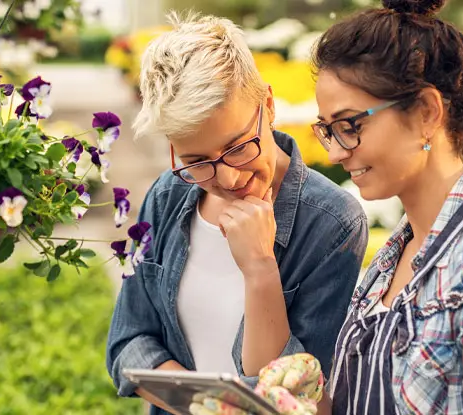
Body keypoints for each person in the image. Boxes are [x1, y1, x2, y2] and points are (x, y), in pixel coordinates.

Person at [194, 0, 463, 414]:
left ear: (427, 112)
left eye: (351, 126)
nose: (336, 153)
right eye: (328, 130)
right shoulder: (394, 258)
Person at [104, 11, 370, 415]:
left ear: (267, 103)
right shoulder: (168, 194)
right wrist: (203, 407)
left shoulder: (332, 223)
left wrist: (261, 268)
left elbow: (298, 396)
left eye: (238, 146)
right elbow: (128, 341)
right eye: (197, 160)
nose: (227, 178)